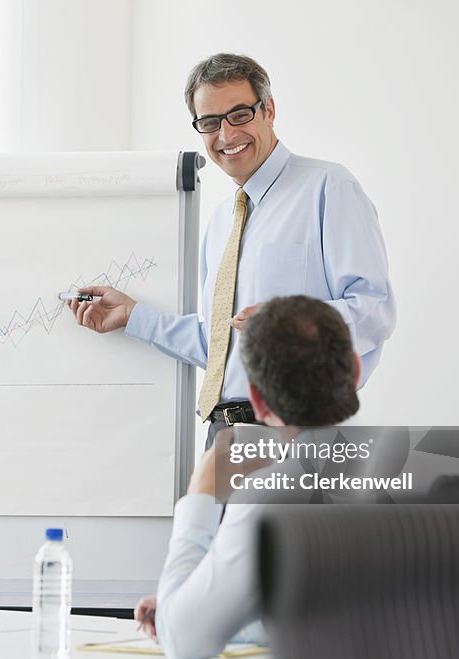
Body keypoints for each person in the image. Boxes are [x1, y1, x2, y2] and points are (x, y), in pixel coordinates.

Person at [67, 53, 395, 445]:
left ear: (268, 110)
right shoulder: (223, 219)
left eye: (239, 114)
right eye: (210, 122)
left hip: (296, 433)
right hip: (223, 433)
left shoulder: (328, 187)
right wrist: (132, 316)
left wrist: (289, 327)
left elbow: (375, 310)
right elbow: (220, 344)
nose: (226, 135)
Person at [134, 295, 362, 659]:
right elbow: (348, 614)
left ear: (257, 400)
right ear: (355, 370)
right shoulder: (423, 465)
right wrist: (208, 603)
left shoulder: (269, 497)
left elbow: (182, 641)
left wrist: (201, 496)